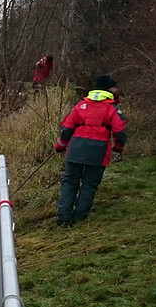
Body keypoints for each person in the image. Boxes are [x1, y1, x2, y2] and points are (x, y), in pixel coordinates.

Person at [53, 74, 127, 226]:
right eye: (114, 87)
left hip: (76, 149)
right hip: (98, 152)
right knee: (89, 185)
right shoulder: (112, 108)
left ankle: (63, 218)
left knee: (69, 182)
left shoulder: (81, 105)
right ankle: (79, 218)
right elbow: (120, 132)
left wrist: (60, 146)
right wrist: (118, 148)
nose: (116, 90)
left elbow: (67, 128)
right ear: (108, 89)